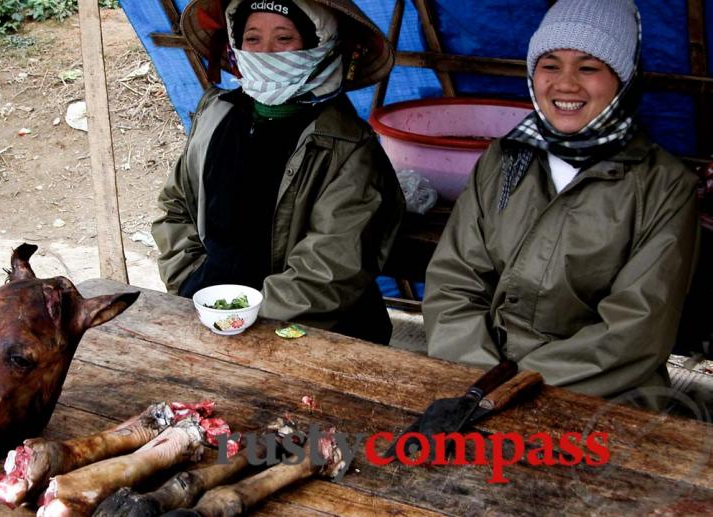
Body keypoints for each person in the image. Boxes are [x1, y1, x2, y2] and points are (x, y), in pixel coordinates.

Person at [423, 0, 700, 404]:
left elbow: (633, 331)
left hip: (600, 393)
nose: (566, 84)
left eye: (588, 68)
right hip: (476, 376)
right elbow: (454, 281)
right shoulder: (504, 160)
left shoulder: (664, 186)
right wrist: (478, 377)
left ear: (622, 80)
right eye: (550, 65)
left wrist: (513, 390)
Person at [152, 0, 406, 344]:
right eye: (252, 39)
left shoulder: (348, 147)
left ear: (321, 45)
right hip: (211, 316)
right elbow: (176, 206)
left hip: (315, 335)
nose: (266, 53)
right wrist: (190, 284)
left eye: (284, 39)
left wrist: (246, 319)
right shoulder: (216, 114)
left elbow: (331, 267)